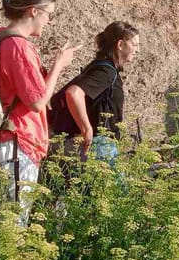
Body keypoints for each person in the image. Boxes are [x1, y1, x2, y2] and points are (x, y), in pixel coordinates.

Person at [0, 0, 78, 224]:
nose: (49, 21)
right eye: (49, 14)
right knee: (12, 225)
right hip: (16, 143)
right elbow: (37, 101)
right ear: (34, 11)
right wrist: (59, 65)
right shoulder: (18, 45)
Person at [50, 21, 139, 161]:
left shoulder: (97, 67)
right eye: (134, 44)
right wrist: (87, 129)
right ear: (120, 45)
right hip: (99, 146)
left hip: (89, 144)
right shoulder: (106, 71)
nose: (137, 50)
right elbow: (74, 93)